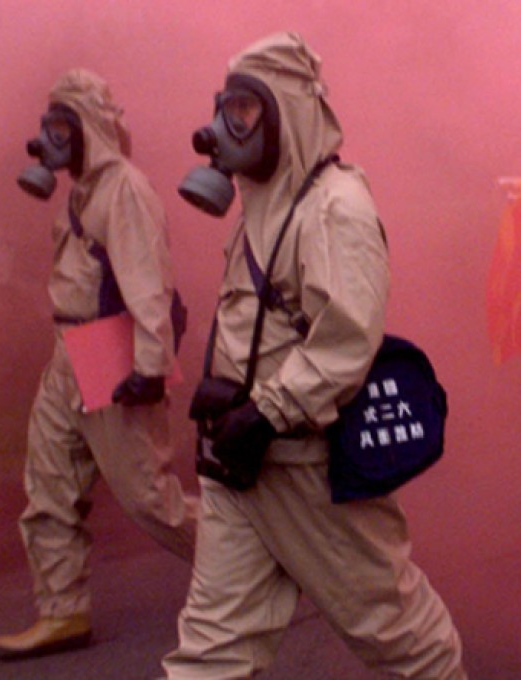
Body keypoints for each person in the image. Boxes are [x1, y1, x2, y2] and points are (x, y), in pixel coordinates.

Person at [163, 32, 466, 679]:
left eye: (243, 111)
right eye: (224, 107)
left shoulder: (336, 207)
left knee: (397, 633)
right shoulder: (262, 205)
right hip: (241, 465)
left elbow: (346, 339)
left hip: (305, 463)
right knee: (214, 649)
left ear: (288, 113)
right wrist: (228, 398)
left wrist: (267, 411)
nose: (223, 127)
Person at [0, 68, 197, 660]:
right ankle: (62, 612)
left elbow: (148, 283)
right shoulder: (83, 189)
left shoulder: (124, 189)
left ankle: (260, 563)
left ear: (88, 128)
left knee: (149, 501)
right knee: (49, 485)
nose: (51, 139)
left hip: (114, 351)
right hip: (71, 350)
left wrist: (151, 366)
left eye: (63, 126)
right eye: (48, 126)